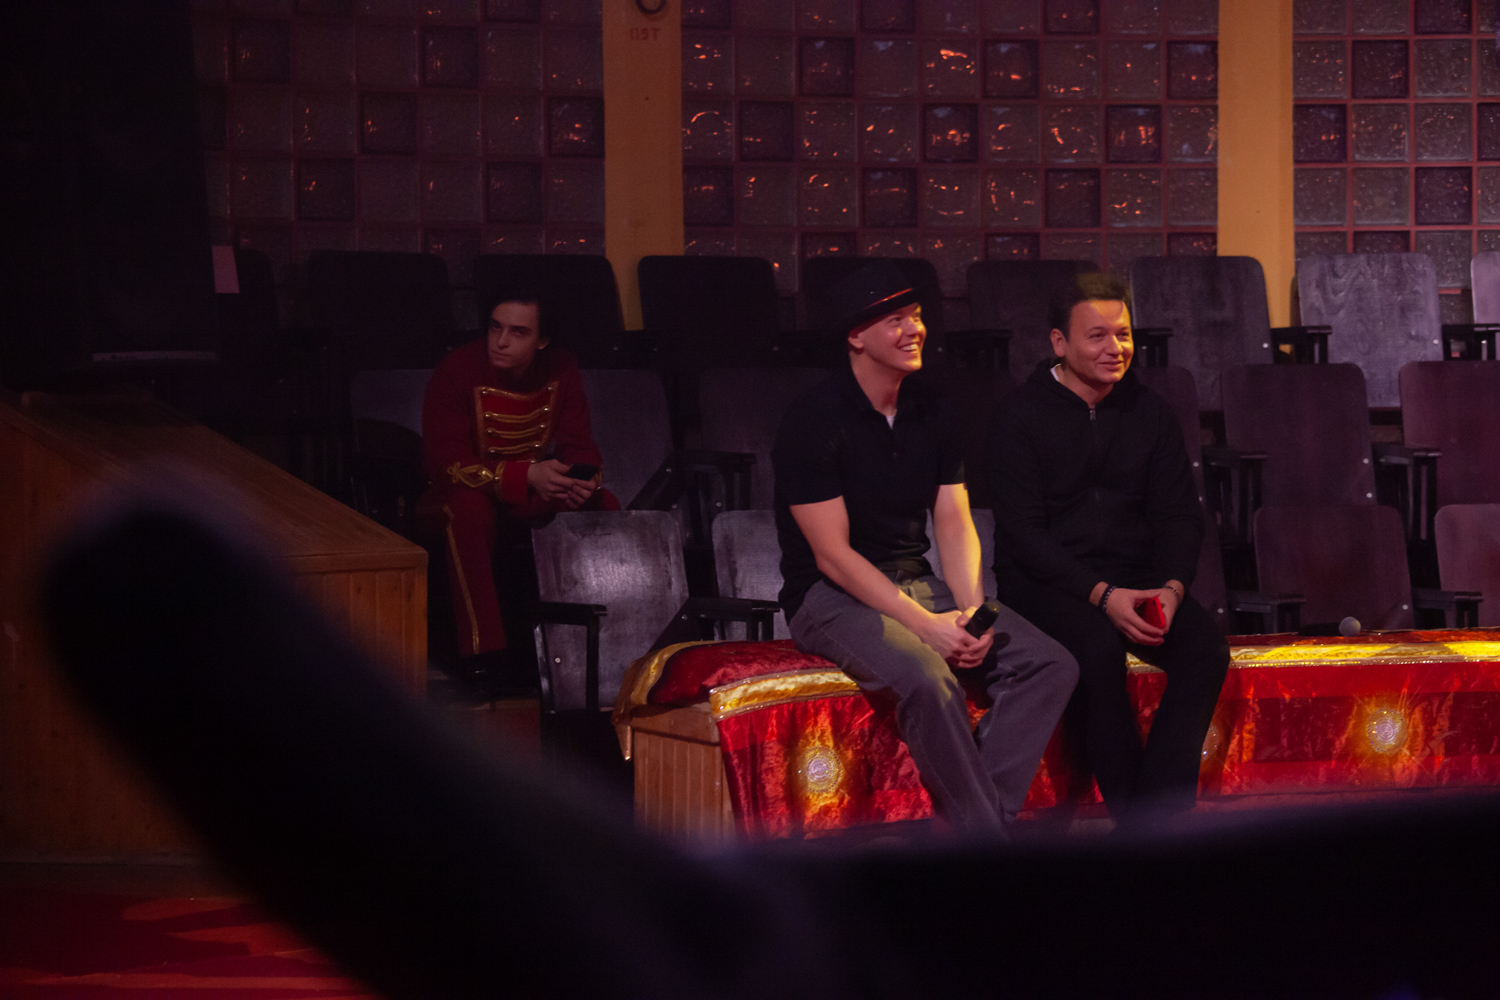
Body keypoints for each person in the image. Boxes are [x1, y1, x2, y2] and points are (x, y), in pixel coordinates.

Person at [772, 261, 1078, 836]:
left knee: (1050, 663)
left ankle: (978, 828)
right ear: (856, 336)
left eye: (915, 316)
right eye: (896, 320)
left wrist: (972, 612)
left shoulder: (931, 408)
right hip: (829, 596)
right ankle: (986, 843)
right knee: (927, 678)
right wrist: (925, 627)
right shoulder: (813, 419)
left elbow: (954, 520)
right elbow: (832, 556)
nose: (914, 329)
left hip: (915, 578)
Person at [986, 271, 1230, 821]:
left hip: (1136, 576)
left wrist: (1171, 589)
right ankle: (1136, 820)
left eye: (1122, 334)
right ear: (1059, 342)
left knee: (1204, 650)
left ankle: (1156, 818)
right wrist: (1102, 595)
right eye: (1097, 336)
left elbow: (1179, 517)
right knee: (1095, 650)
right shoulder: (1019, 415)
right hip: (1047, 582)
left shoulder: (1150, 412)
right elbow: (1024, 534)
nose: (1114, 348)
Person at [421, 288, 617, 683]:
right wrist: (526, 475)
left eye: (518, 332)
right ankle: (482, 657)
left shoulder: (561, 367)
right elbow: (446, 466)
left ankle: (608, 647)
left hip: (527, 493)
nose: (501, 341)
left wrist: (583, 480)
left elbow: (580, 445)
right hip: (464, 494)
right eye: (495, 328)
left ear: (542, 341)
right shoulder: (457, 369)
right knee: (468, 512)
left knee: (602, 502)